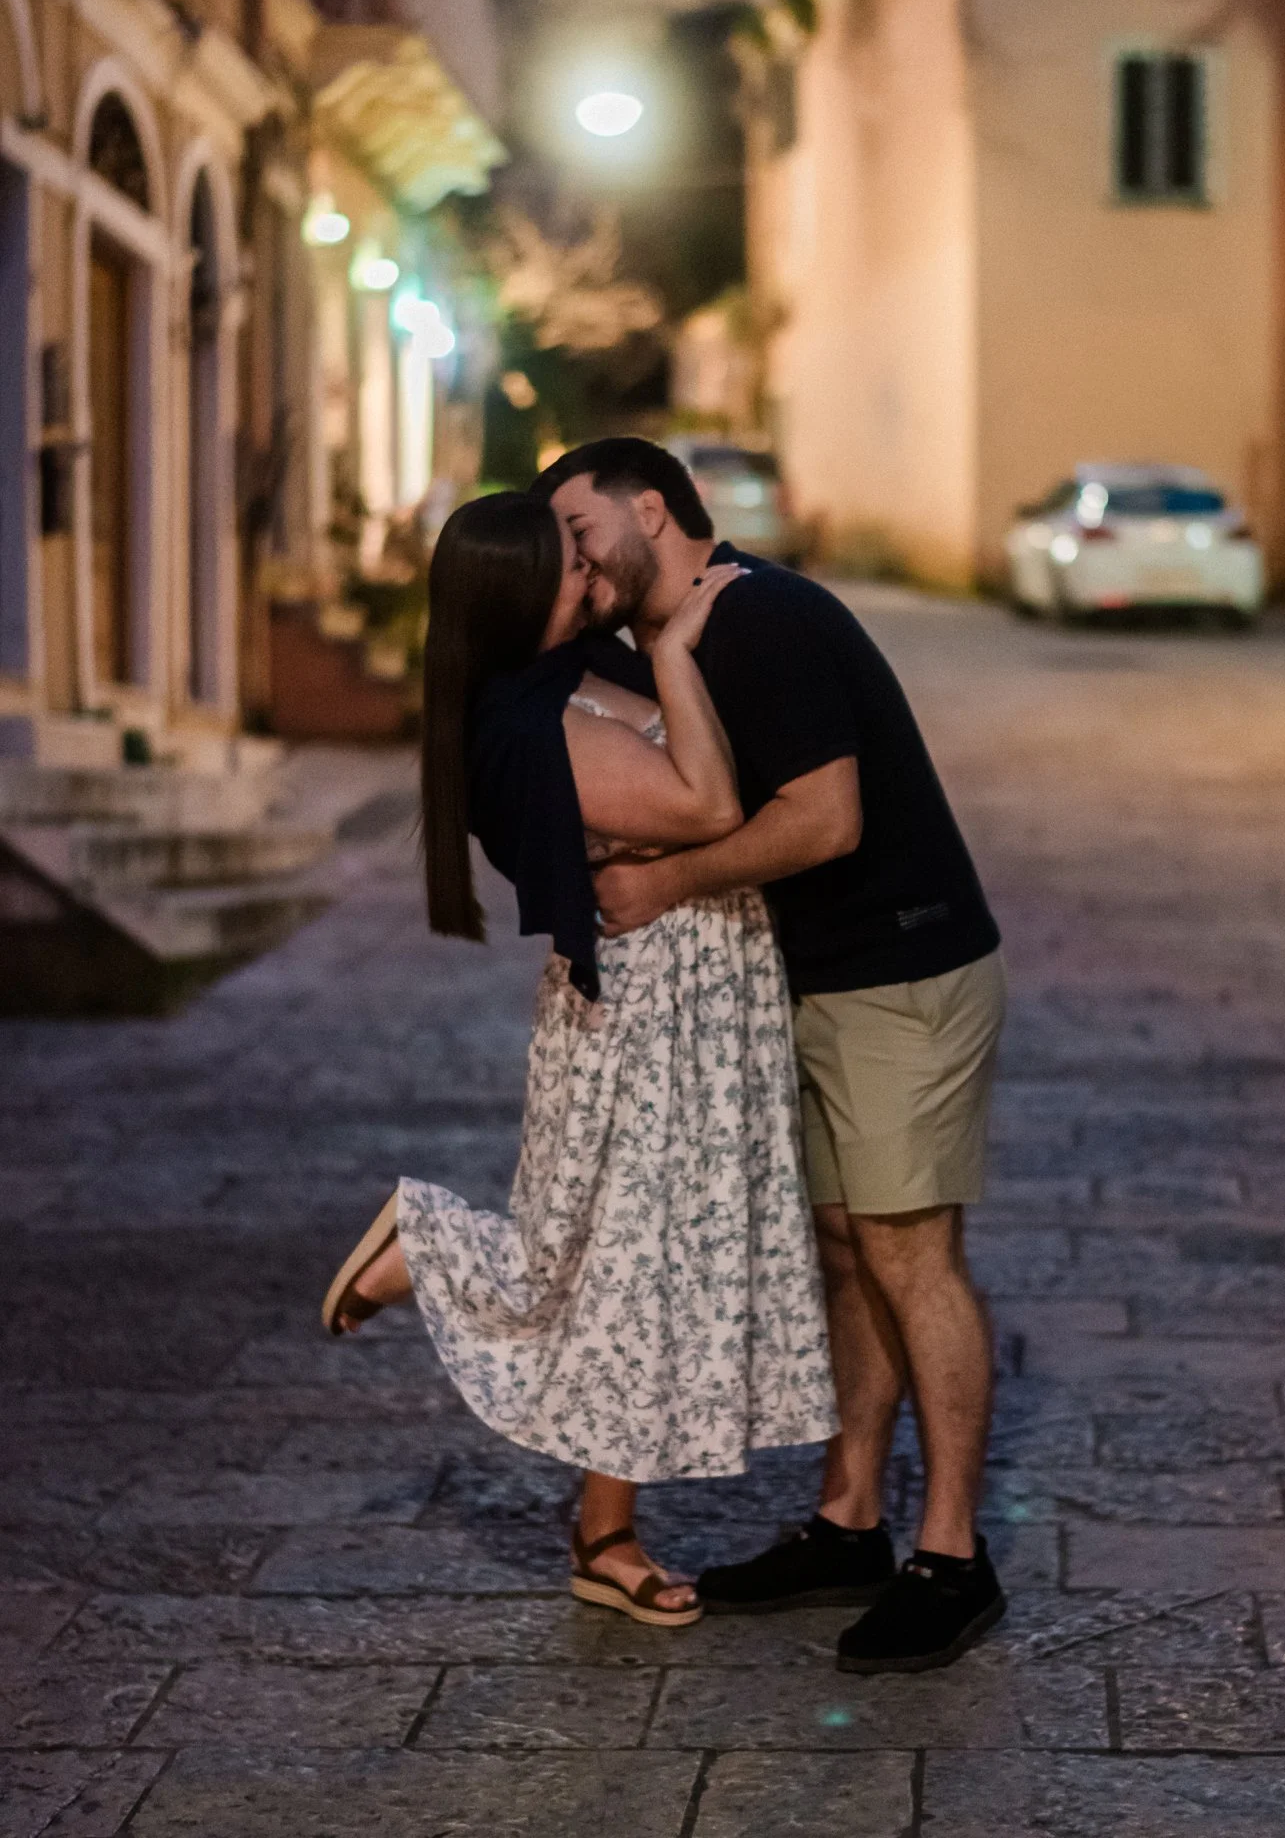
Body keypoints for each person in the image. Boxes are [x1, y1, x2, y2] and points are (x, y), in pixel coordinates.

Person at [534, 438, 1008, 1675]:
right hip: (811, 981)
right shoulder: (644, 639)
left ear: (651, 509)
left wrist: (664, 881)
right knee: (846, 1254)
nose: (571, 556)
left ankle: (951, 1556)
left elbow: (824, 818)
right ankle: (849, 1520)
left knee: (910, 1251)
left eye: (581, 528)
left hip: (900, 969)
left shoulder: (768, 617)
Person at [322, 491, 836, 1630]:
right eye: (567, 566)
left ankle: (605, 1528)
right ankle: (429, 1242)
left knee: (638, 1274)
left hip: (707, 995)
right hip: (646, 1012)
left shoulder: (570, 674)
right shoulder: (523, 726)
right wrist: (678, 648)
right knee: (604, 1264)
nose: (591, 573)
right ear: (513, 594)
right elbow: (707, 799)